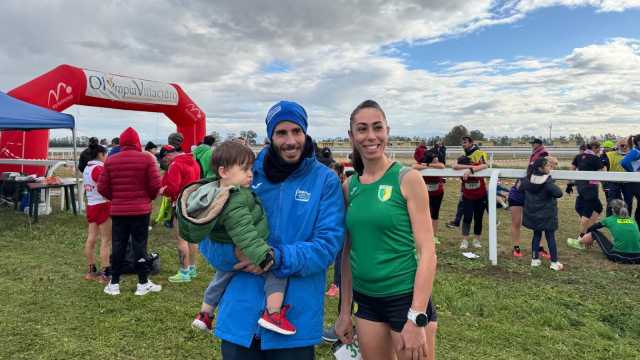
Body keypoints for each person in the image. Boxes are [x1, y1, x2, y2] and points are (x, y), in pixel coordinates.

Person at [198, 100, 344, 358]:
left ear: (305, 132)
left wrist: (277, 258)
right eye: (281, 132)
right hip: (240, 319)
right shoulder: (243, 174)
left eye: (296, 131)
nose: (290, 140)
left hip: (293, 322)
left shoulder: (325, 180)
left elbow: (327, 246)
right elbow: (207, 238)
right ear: (270, 135)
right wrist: (237, 255)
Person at [335, 100, 437, 360]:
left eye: (377, 128)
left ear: (387, 131)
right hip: (367, 301)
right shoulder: (349, 187)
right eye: (362, 129)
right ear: (352, 136)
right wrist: (345, 312)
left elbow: (427, 251)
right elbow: (347, 254)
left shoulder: (408, 179)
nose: (371, 136)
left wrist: (417, 316)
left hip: (405, 300)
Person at [178, 141, 296, 335]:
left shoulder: (214, 191)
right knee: (277, 273)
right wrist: (263, 255)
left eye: (251, 168)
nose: (251, 174)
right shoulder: (235, 198)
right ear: (224, 172)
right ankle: (273, 313)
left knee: (221, 277)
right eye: (244, 169)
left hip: (226, 251)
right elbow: (244, 232)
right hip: (245, 248)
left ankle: (205, 314)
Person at [98, 127, 162, 296]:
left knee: (118, 244)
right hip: (141, 210)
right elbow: (155, 185)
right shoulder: (147, 159)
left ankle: (114, 283)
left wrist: (116, 197)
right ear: (137, 142)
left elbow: (102, 187)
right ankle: (142, 283)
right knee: (140, 245)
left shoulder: (111, 160)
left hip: (118, 210)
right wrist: (147, 198)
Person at [162, 147, 201, 283]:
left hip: (180, 203)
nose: (165, 159)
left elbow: (173, 188)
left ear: (171, 154)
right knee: (192, 238)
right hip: (194, 203)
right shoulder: (194, 162)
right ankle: (192, 267)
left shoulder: (175, 165)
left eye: (166, 156)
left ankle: (184, 272)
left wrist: (163, 191)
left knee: (181, 239)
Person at [521, 157, 564, 270]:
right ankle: (554, 262)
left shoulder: (528, 178)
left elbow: (521, 187)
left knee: (536, 235)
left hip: (533, 214)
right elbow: (559, 193)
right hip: (547, 215)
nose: (550, 167)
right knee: (550, 237)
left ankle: (535, 259)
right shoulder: (547, 181)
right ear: (541, 168)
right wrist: (551, 182)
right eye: (547, 165)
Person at [567, 199, 640, 263]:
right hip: (638, 257)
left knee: (594, 233)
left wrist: (589, 239)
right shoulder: (632, 220)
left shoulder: (609, 219)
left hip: (619, 256)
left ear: (613, 210)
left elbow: (591, 228)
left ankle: (579, 242)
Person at [81, 139, 111, 283]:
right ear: (100, 154)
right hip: (103, 205)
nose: (107, 158)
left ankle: (91, 270)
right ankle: (105, 273)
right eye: (106, 155)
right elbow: (103, 187)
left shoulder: (87, 168)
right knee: (105, 241)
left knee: (91, 238)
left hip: (92, 204)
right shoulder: (98, 169)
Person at [453, 136, 489, 249]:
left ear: (471, 143)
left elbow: (485, 165)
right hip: (467, 194)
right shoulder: (462, 157)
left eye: (465, 142)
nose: (463, 144)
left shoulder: (480, 154)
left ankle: (477, 240)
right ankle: (465, 240)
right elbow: (454, 166)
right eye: (462, 143)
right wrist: (470, 166)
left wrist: (471, 170)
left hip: (480, 193)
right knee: (467, 217)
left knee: (478, 217)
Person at [568, 141, 604, 243]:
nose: (599, 150)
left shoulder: (578, 156)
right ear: (593, 147)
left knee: (597, 208)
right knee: (586, 213)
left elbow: (572, 170)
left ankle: (589, 229)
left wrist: (569, 184)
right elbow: (602, 172)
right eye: (598, 148)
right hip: (591, 188)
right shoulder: (595, 158)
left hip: (580, 186)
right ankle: (581, 238)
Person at [413, 148, 445, 245]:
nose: (436, 159)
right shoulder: (421, 162)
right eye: (434, 158)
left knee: (434, 215)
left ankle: (434, 236)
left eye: (436, 158)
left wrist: (427, 165)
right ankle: (421, 236)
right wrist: (424, 165)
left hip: (437, 192)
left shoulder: (435, 163)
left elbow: (442, 166)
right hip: (423, 193)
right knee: (422, 214)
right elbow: (414, 166)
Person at [621, 134, 640, 229]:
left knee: (629, 205)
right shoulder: (635, 151)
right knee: (628, 205)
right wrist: (633, 172)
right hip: (631, 183)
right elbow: (624, 162)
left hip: (635, 182)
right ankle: (625, 227)